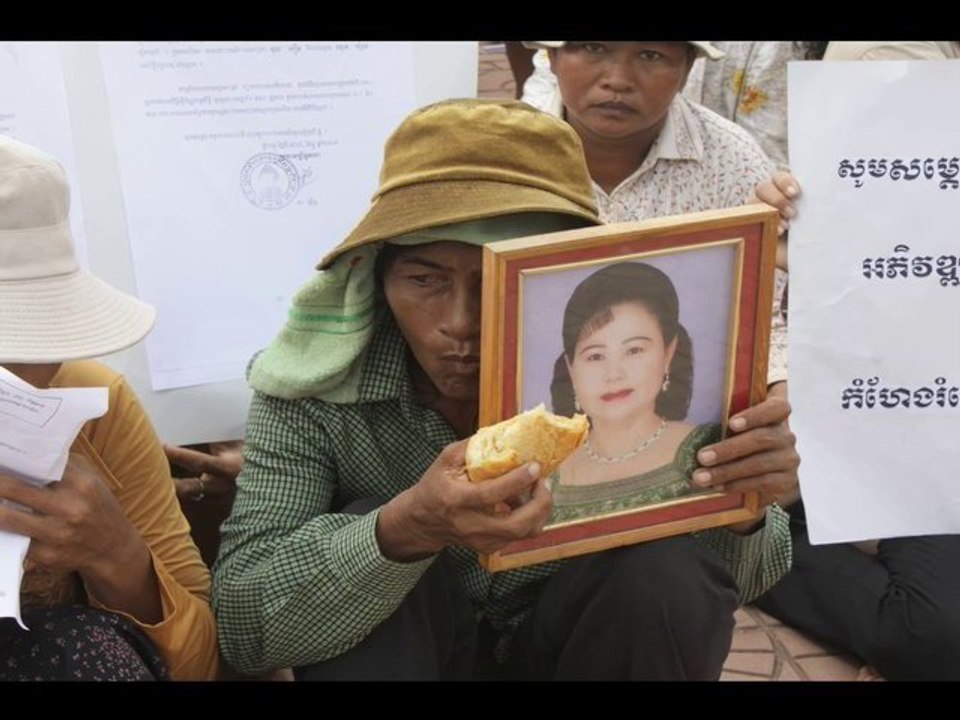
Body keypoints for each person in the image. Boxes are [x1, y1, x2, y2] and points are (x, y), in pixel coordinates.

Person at [212, 99, 799, 681]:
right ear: (376, 278)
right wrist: (407, 528)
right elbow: (244, 626)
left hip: (573, 650)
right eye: (425, 279)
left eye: (496, 281)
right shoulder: (315, 391)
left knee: (664, 565)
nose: (461, 323)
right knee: (370, 525)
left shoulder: (622, 375)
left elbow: (739, 580)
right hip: (416, 655)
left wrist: (741, 509)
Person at [752, 41, 960, 680]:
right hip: (881, 437)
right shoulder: (795, 196)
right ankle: (759, 546)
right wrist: (783, 247)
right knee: (929, 635)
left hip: (929, 444)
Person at [0, 135, 219, 681]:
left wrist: (116, 554)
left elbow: (200, 664)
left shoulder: (94, 409)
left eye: (43, 336)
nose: (31, 374)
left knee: (81, 649)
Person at [547, 262, 720, 524]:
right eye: (595, 356)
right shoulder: (546, 474)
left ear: (669, 354)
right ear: (571, 370)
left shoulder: (710, 449)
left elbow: (757, 560)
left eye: (634, 350)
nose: (614, 374)